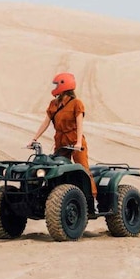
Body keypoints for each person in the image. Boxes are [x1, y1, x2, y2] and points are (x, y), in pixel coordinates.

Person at [28, 72, 98, 203]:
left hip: (75, 140)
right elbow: (46, 122)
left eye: (56, 84)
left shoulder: (76, 103)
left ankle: (92, 199)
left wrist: (78, 143)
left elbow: (79, 124)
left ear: (63, 85)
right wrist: (34, 138)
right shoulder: (53, 104)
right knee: (59, 169)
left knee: (82, 168)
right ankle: (62, 199)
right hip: (60, 142)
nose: (54, 87)